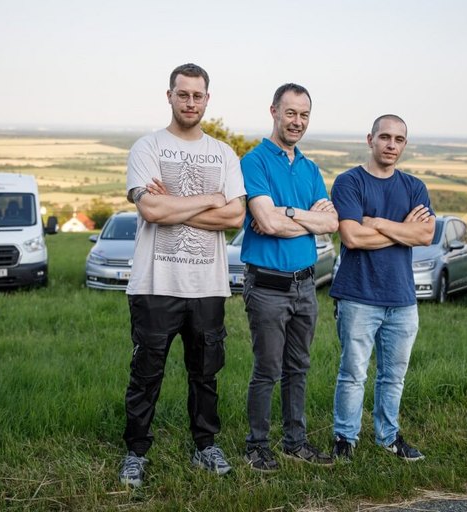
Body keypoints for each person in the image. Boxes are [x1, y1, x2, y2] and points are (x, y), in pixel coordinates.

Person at [119, 63, 246, 487]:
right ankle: (136, 452)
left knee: (205, 373)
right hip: (154, 285)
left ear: (207, 99)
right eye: (183, 94)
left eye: (198, 95)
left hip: (208, 286)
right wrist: (210, 198)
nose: (190, 102)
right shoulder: (147, 147)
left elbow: (236, 215)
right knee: (146, 374)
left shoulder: (223, 154)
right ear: (169, 96)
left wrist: (178, 204)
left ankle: (205, 446)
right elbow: (151, 209)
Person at [240, 83, 338, 471]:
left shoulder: (311, 168)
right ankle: (257, 446)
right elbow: (264, 219)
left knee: (299, 368)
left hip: (306, 285)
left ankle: (295, 443)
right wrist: (302, 219)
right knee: (267, 370)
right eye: (291, 113)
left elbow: (331, 222)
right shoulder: (255, 161)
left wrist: (291, 214)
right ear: (274, 112)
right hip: (267, 286)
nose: (297, 121)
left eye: (304, 115)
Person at [329, 114, 434, 462]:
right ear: (370, 139)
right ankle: (345, 439)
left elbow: (425, 234)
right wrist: (400, 230)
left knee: (393, 377)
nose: (391, 145)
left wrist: (377, 222)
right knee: (353, 373)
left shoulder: (414, 187)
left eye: (399, 139)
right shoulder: (350, 182)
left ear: (404, 144)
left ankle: (388, 437)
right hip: (358, 295)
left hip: (403, 300)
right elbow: (352, 237)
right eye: (385, 137)